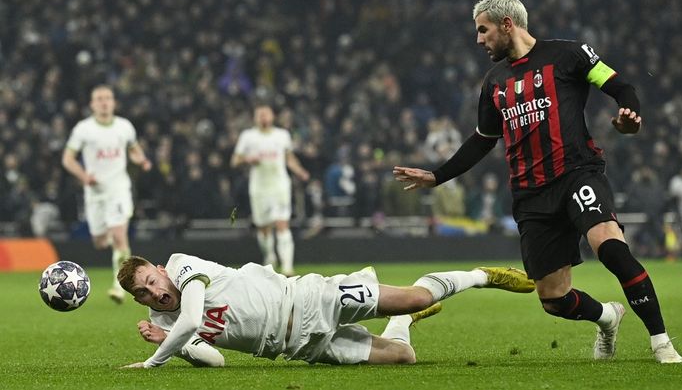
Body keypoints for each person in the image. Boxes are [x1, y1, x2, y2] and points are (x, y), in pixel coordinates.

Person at [393, 0, 682, 364]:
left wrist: (631, 117)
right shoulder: (494, 81)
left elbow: (621, 87)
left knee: (610, 247)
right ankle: (608, 317)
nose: (478, 40)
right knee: (554, 300)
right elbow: (484, 139)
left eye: (483, 30)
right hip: (531, 195)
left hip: (577, 173)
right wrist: (437, 175)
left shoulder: (569, 55)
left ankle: (661, 341)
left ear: (507, 25)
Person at [117, 253, 535, 368]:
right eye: (144, 294)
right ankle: (402, 324)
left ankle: (482, 275)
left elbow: (192, 317)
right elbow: (217, 358)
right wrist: (180, 347)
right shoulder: (165, 323)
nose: (154, 293)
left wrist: (156, 360)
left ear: (159, 269)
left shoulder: (181, 265)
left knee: (417, 296)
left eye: (151, 281)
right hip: (303, 347)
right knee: (403, 356)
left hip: (309, 299)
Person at [62, 84, 151, 303]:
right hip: (95, 193)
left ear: (113, 102)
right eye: (99, 98)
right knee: (101, 241)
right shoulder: (84, 129)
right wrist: (84, 177)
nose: (104, 102)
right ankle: (115, 242)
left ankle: (120, 286)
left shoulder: (124, 127)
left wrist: (141, 159)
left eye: (108, 98)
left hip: (118, 189)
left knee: (119, 235)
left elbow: (134, 149)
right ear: (92, 104)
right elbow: (68, 159)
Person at [231, 104, 309, 276]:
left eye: (267, 114)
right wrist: (247, 158)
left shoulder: (282, 135)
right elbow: (235, 160)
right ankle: (270, 255)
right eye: (260, 114)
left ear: (272, 116)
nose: (264, 117)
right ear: (255, 118)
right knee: (264, 228)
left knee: (282, 223)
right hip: (259, 188)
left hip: (280, 185)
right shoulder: (248, 136)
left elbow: (289, 158)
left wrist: (300, 171)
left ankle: (288, 267)